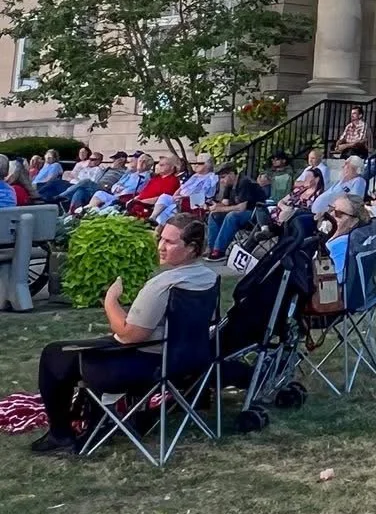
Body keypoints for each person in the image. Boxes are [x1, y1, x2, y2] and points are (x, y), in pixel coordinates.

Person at [31, 213, 219, 456]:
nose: (160, 246)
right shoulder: (209, 278)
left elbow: (131, 335)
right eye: (160, 238)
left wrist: (111, 300)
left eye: (170, 242)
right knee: (78, 350)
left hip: (150, 366)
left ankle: (61, 434)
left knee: (55, 354)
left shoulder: (162, 285)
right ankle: (98, 419)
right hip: (189, 361)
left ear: (192, 248)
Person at [206, 174, 269, 257]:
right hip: (240, 212)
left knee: (231, 216)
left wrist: (220, 209)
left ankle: (219, 250)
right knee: (214, 215)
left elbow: (242, 207)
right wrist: (214, 206)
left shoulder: (245, 183)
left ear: (232, 174)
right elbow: (225, 203)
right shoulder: (229, 185)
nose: (221, 181)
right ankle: (211, 248)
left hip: (255, 213)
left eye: (223, 177)